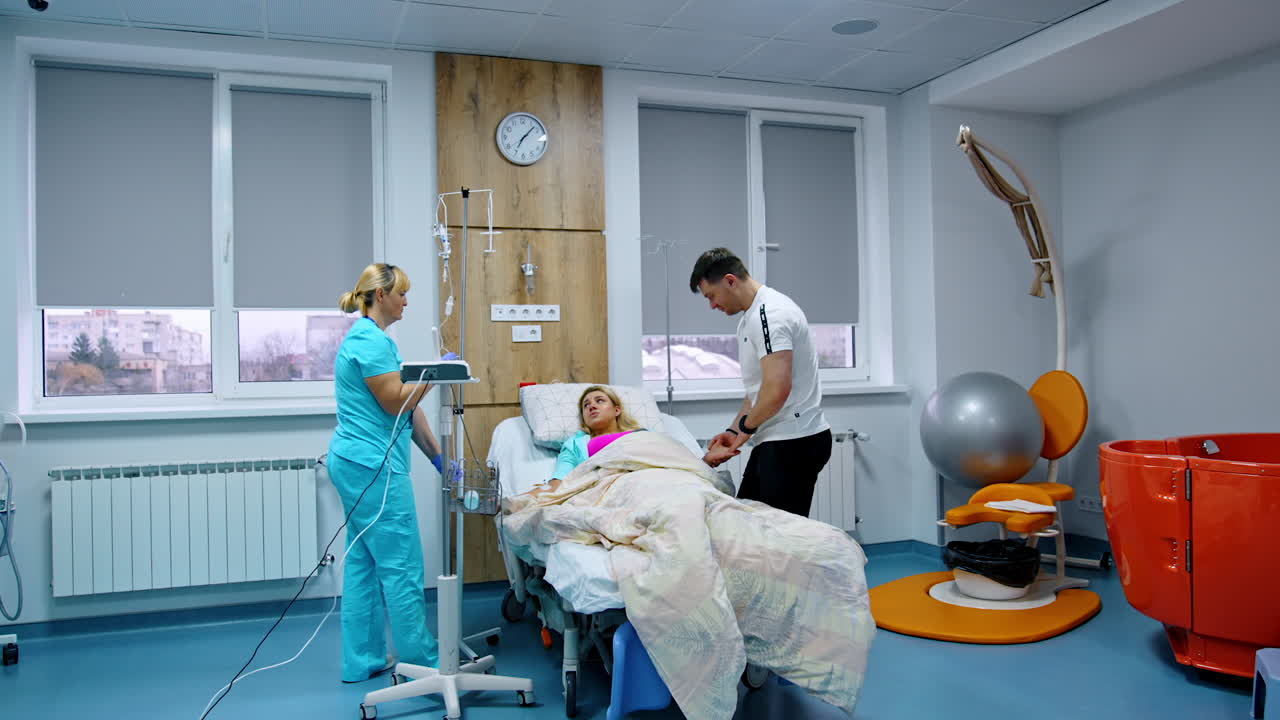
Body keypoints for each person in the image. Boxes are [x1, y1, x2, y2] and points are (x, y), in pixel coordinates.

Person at [328, 262, 442, 683]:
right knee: (400, 564)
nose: (407, 301)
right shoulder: (371, 342)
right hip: (373, 468)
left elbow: (407, 411)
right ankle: (424, 663)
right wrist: (435, 373)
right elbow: (398, 402)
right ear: (380, 296)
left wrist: (437, 457)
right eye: (402, 294)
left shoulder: (374, 340)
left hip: (357, 463)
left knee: (364, 561)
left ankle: (364, 660)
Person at [691, 248, 832, 517]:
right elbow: (757, 392)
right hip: (778, 439)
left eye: (711, 296)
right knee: (749, 524)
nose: (712, 305)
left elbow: (777, 390)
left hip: (794, 440)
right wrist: (733, 433)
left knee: (773, 537)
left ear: (730, 281)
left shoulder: (770, 314)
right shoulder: (749, 318)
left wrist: (744, 429)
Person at [533, 386, 644, 495]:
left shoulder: (641, 435)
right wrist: (521, 500)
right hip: (607, 492)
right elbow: (559, 483)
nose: (592, 406)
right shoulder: (575, 445)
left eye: (599, 401)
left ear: (616, 410)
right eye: (586, 405)